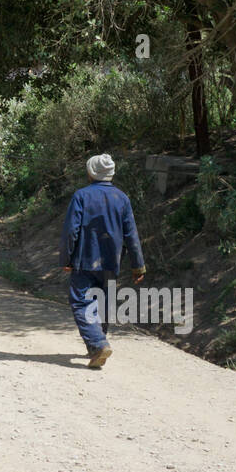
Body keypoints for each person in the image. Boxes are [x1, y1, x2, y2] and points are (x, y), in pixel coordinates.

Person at [61, 153, 145, 369]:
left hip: (85, 261)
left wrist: (66, 258)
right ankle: (98, 346)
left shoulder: (81, 196)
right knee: (103, 304)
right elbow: (131, 235)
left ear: (91, 172)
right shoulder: (122, 198)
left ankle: (98, 344)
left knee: (81, 302)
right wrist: (138, 265)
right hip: (111, 262)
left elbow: (72, 231)